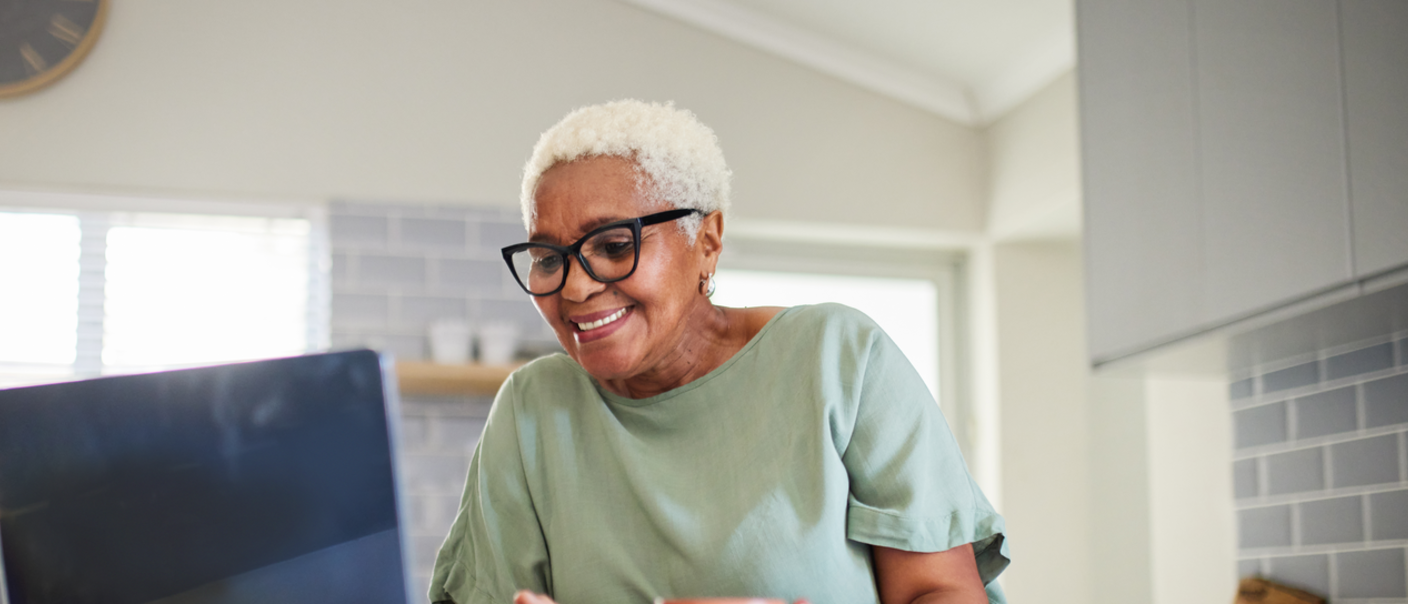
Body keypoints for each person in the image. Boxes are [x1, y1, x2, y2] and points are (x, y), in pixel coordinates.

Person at [428, 100, 1008, 604]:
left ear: (706, 240)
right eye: (549, 258)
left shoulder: (838, 360)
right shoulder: (533, 408)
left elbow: (941, 591)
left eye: (611, 245)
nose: (575, 288)